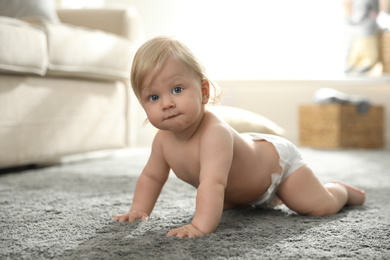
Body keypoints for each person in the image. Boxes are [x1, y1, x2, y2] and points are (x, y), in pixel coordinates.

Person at [113, 36, 366, 238]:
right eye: (153, 97)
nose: (166, 103)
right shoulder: (162, 141)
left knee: (318, 207)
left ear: (203, 92)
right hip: (241, 189)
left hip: (276, 168)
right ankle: (247, 200)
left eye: (177, 89)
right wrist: (139, 209)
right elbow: (152, 176)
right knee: (226, 201)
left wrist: (199, 226)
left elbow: (212, 184)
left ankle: (340, 191)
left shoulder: (214, 134)